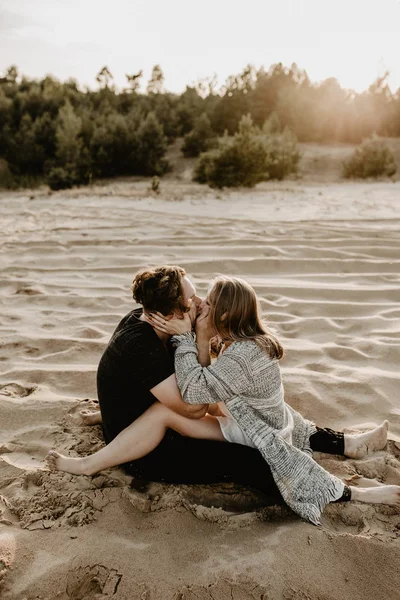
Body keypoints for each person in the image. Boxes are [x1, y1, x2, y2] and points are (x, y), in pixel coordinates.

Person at [46, 268, 399, 523]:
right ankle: (355, 492)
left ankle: (345, 445)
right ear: (172, 314)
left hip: (169, 417)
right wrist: (195, 339)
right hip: (147, 446)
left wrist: (194, 339)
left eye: (203, 297)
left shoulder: (153, 323)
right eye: (192, 298)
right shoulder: (145, 345)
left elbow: (190, 382)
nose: (199, 302)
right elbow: (195, 403)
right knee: (252, 462)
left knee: (271, 414)